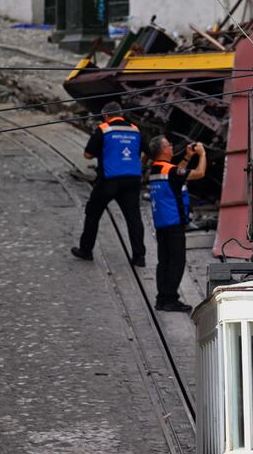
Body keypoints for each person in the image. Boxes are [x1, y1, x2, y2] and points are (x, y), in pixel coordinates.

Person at [71, 102, 147, 267]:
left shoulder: (103, 129)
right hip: (132, 179)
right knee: (134, 218)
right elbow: (146, 151)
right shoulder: (135, 129)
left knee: (93, 213)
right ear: (121, 114)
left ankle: (86, 250)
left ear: (106, 115)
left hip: (109, 180)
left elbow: (87, 155)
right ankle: (139, 257)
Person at [147, 135, 206, 312]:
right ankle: (171, 299)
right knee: (176, 261)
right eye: (169, 145)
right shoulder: (170, 171)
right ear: (163, 150)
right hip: (174, 222)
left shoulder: (156, 169)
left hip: (161, 222)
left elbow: (176, 176)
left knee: (163, 261)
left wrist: (188, 157)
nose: (172, 147)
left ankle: (162, 298)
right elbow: (200, 173)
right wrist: (202, 155)